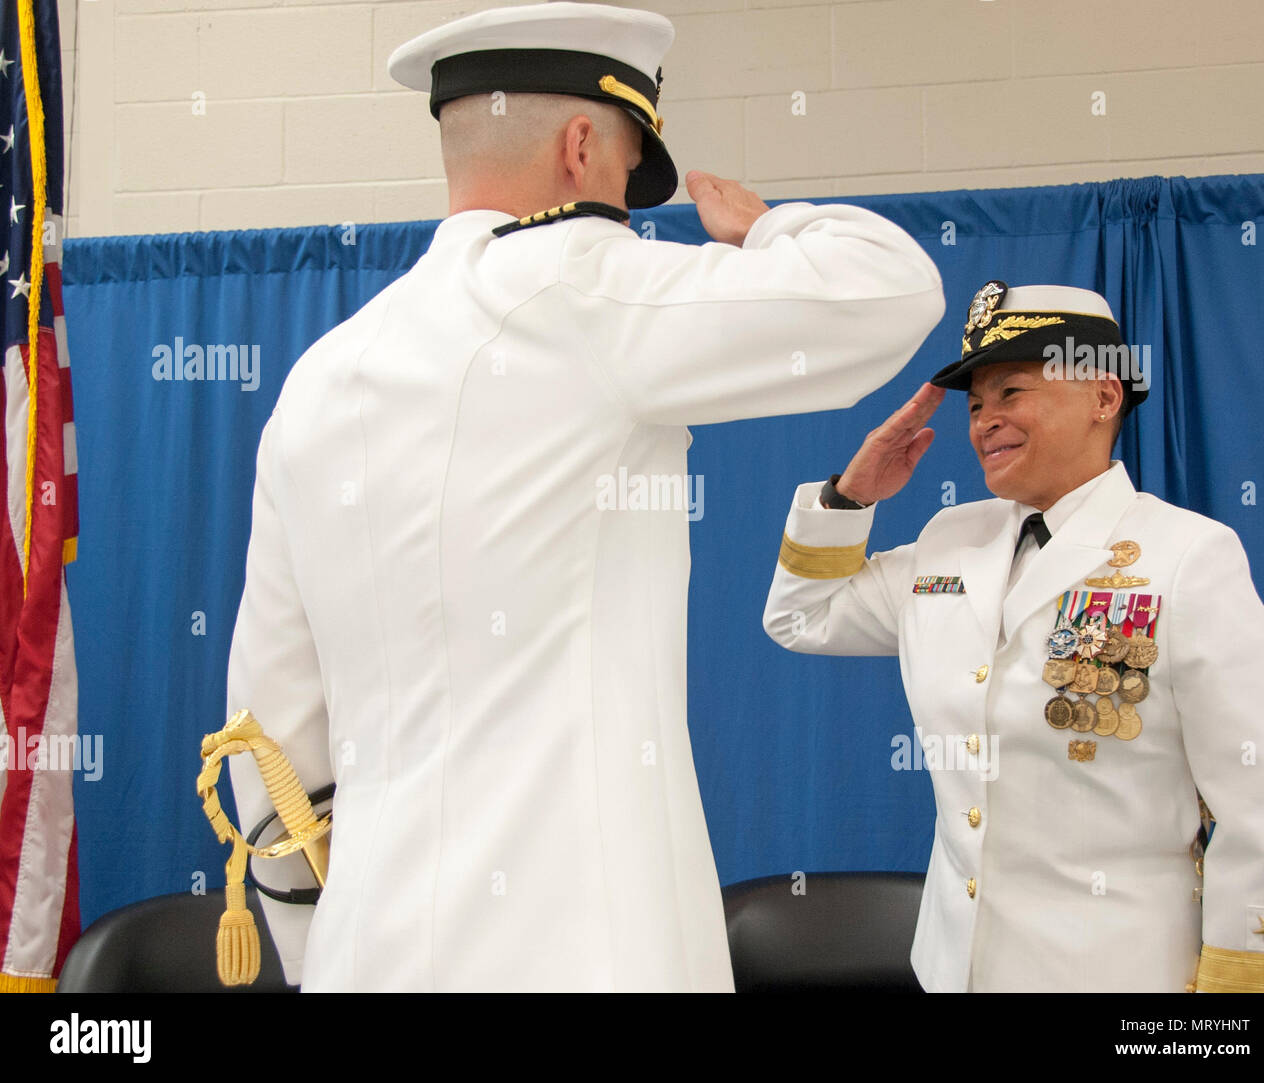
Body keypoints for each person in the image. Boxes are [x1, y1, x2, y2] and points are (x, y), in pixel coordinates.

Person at [225, 2, 944, 992]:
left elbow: (268, 739)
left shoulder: (318, 381)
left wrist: (320, 952)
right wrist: (768, 228)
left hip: (364, 952)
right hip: (587, 954)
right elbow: (890, 287)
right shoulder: (580, 289)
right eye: (622, 170)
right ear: (578, 147)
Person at [762, 280, 1264, 993]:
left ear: (1103, 397)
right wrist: (848, 497)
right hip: (957, 972)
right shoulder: (953, 541)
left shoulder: (1188, 555)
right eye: (977, 404)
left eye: (1012, 392)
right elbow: (803, 617)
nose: (985, 421)